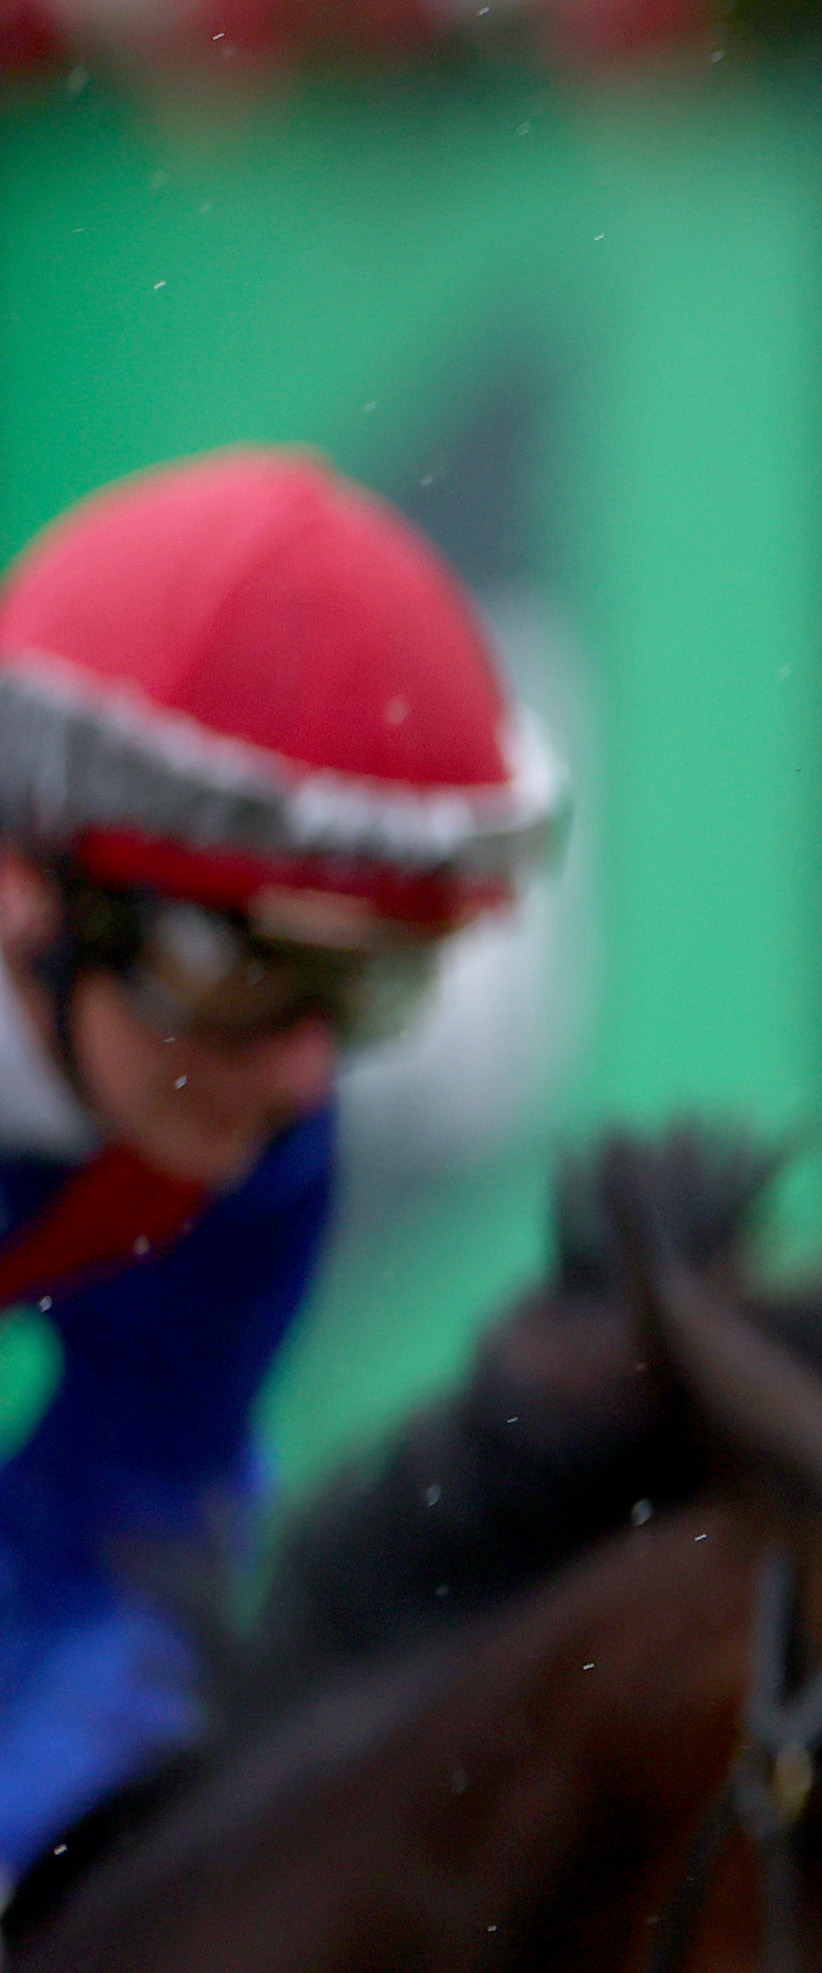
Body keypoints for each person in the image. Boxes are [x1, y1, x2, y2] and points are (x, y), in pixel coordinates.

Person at [0, 448, 557, 1880]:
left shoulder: (257, 1155)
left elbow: (130, 1523)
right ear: (24, 883)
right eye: (238, 969)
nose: (306, 1070)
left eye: (372, 991)